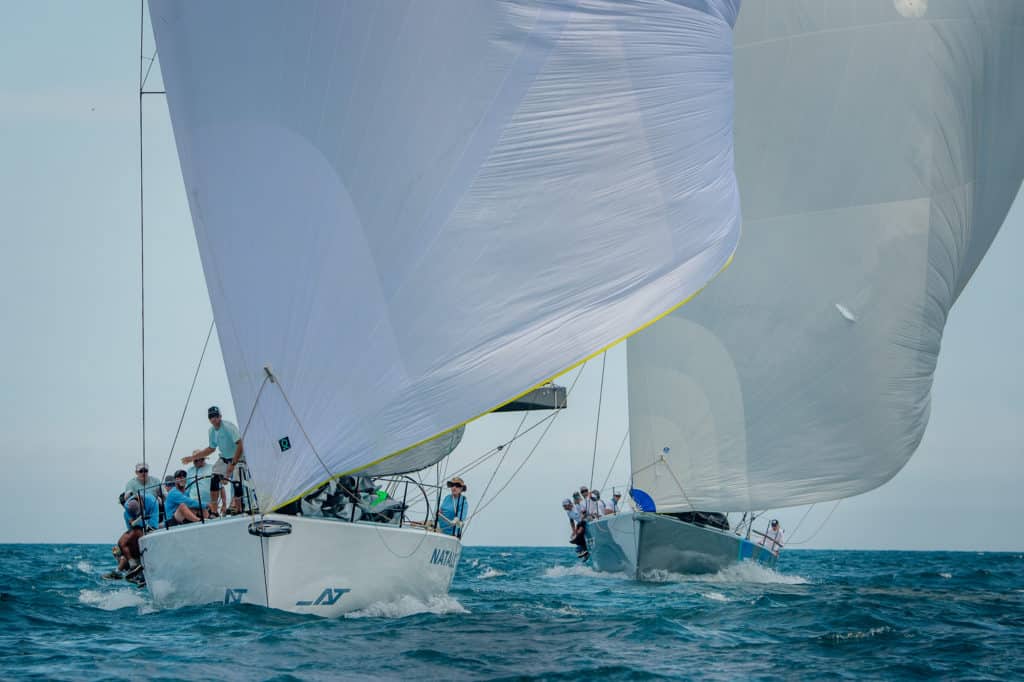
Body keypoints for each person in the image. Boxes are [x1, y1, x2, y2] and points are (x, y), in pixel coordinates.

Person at [182, 406, 246, 514]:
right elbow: (211, 448)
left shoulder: (228, 427)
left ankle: (239, 509)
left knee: (236, 482)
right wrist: (192, 458)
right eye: (211, 416)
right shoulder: (211, 431)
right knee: (214, 478)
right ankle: (214, 511)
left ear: (220, 416)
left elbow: (240, 444)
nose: (213, 419)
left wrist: (233, 463)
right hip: (224, 458)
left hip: (238, 458)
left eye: (216, 416)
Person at [112, 492, 160, 583]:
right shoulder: (127, 509)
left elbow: (153, 524)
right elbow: (131, 527)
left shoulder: (151, 501)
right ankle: (127, 569)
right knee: (117, 549)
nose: (122, 505)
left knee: (125, 547)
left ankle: (125, 570)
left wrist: (145, 526)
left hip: (147, 530)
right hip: (136, 532)